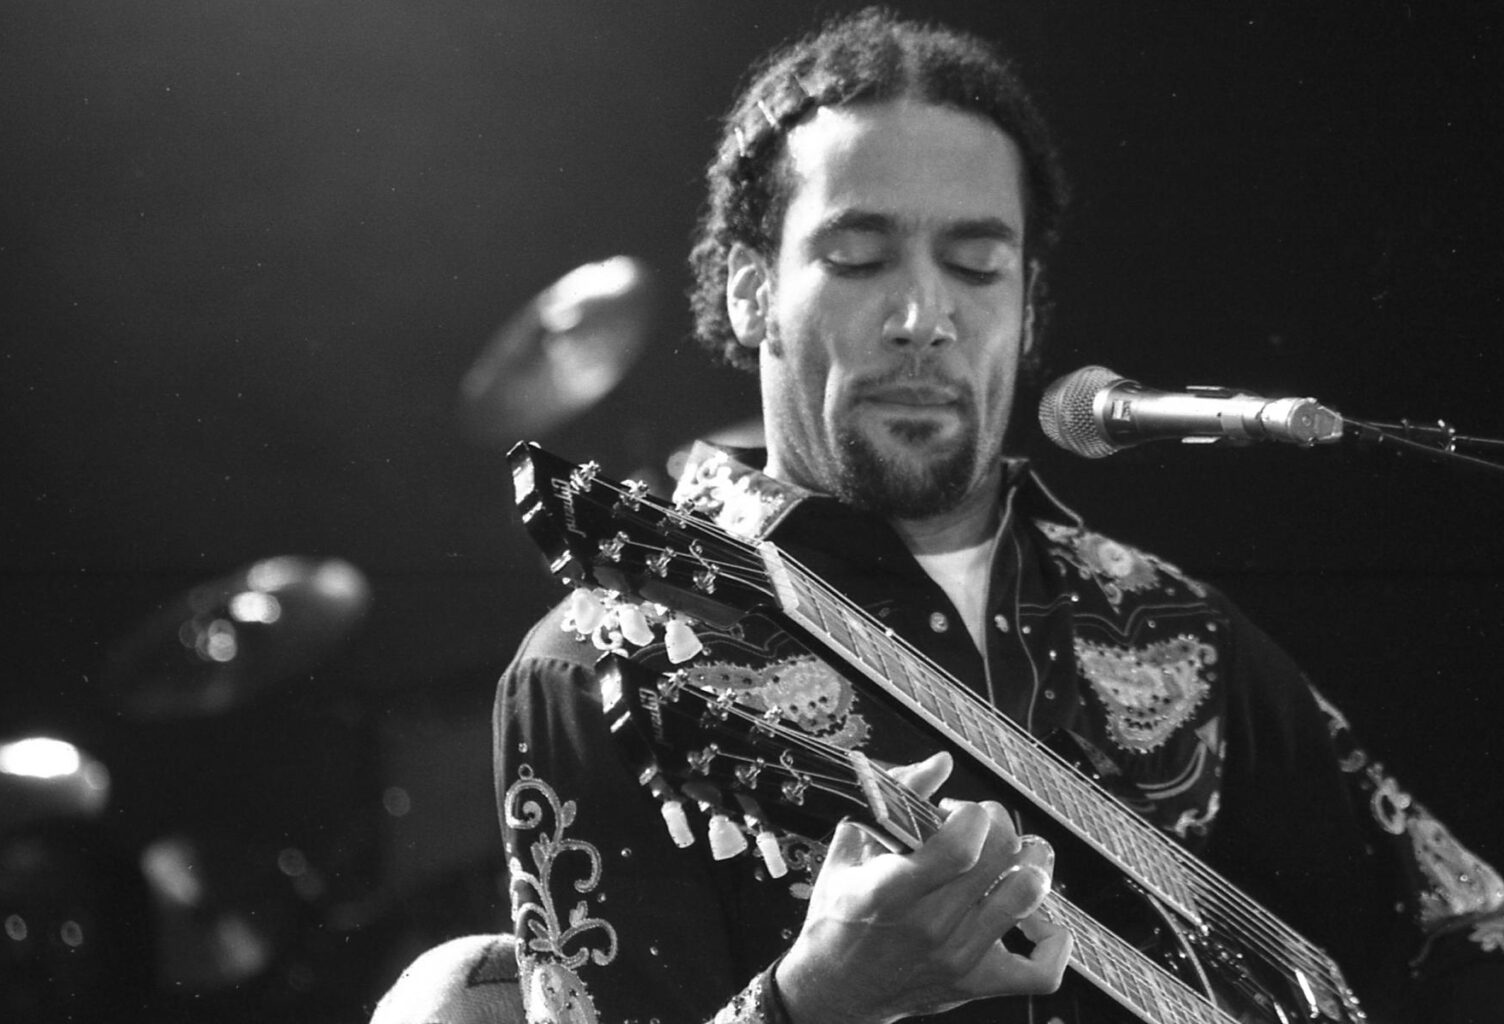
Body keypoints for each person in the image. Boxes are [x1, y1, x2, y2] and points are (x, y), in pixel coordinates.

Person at [492, 9, 1504, 1023]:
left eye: (976, 267)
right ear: (752, 292)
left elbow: (1462, 932)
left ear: (1027, 307)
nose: (922, 319)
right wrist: (811, 1004)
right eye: (860, 257)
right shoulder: (601, 663)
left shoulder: (1171, 626)